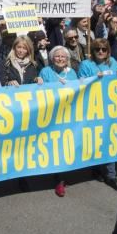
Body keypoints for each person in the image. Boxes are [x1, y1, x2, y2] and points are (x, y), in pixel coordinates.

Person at [78, 39, 117, 193]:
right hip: (94, 107)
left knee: (111, 139)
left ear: (108, 51)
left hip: (112, 107)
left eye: (104, 49)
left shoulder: (113, 62)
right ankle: (96, 168)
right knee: (96, 138)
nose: (100, 52)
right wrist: (92, 80)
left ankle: (111, 175)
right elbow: (81, 83)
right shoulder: (86, 64)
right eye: (97, 49)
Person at [38, 46, 77, 197]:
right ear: (52, 58)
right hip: (52, 116)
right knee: (54, 147)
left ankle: (62, 177)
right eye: (57, 56)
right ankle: (57, 178)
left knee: (65, 146)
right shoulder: (46, 72)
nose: (60, 59)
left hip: (68, 116)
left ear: (67, 60)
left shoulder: (72, 73)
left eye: (63, 57)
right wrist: (39, 82)